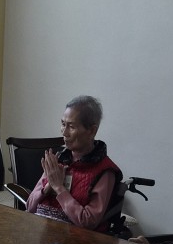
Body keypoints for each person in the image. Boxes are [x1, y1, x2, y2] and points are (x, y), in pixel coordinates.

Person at [25, 95, 122, 231]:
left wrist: (59, 188)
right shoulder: (58, 159)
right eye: (63, 124)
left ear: (92, 131)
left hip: (75, 239)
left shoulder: (105, 171)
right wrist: (47, 187)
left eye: (71, 126)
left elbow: (88, 221)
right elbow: (29, 207)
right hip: (42, 231)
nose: (64, 133)